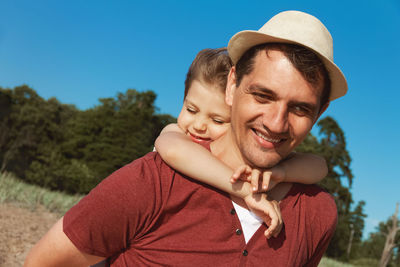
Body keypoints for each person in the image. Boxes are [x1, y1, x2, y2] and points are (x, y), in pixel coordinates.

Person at [24, 10, 346, 267]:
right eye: (263, 96)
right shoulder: (154, 180)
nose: (276, 123)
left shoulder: (318, 214)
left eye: (300, 109)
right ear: (232, 84)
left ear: (320, 113)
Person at [154, 47, 329, 240]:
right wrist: (246, 191)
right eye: (191, 109)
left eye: (218, 121)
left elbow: (319, 166)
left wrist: (281, 173)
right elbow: (174, 149)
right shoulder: (176, 136)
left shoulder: (315, 210)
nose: (199, 125)